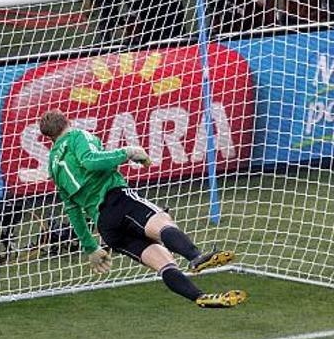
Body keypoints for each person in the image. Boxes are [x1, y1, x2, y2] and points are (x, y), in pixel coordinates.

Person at [39, 110, 248, 309]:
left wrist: (90, 247)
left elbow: (72, 209)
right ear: (68, 121)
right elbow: (90, 161)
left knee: (164, 264)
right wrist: (128, 152)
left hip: (106, 227)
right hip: (118, 199)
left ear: (50, 138)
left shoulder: (53, 166)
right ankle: (195, 256)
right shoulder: (77, 136)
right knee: (162, 221)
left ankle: (200, 297)